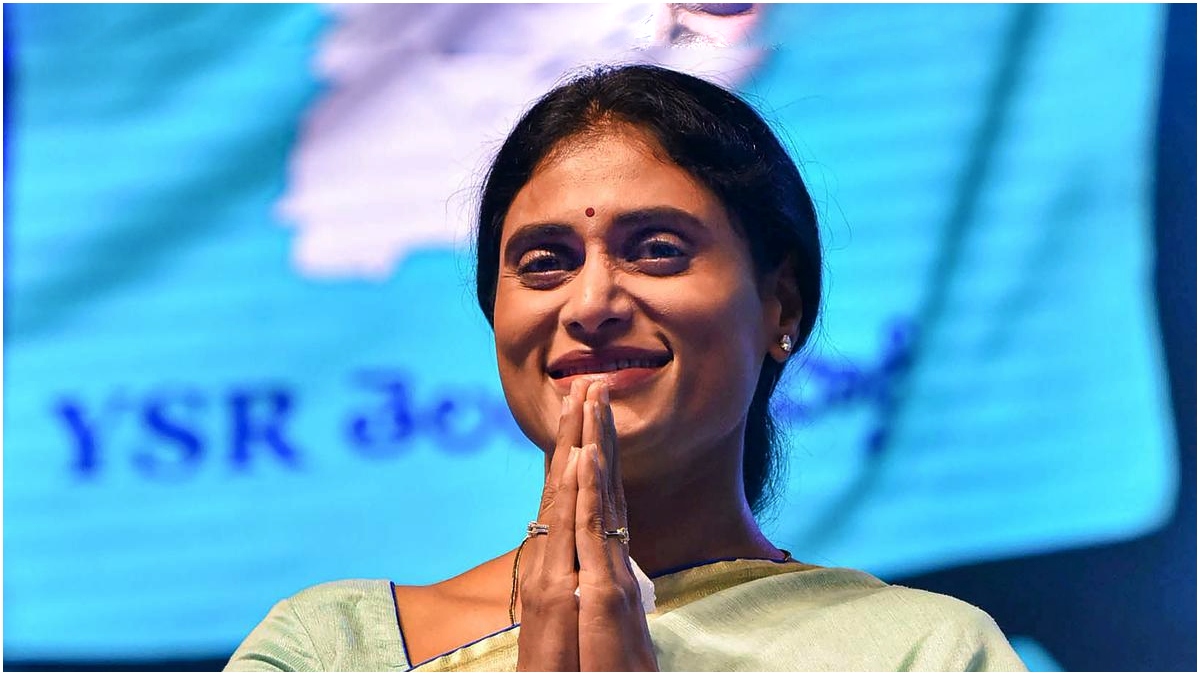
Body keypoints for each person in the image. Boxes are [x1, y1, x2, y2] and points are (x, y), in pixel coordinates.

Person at [225, 64, 1027, 672]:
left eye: (658, 249)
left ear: (781, 303)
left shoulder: (922, 653)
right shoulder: (330, 650)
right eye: (545, 262)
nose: (591, 302)